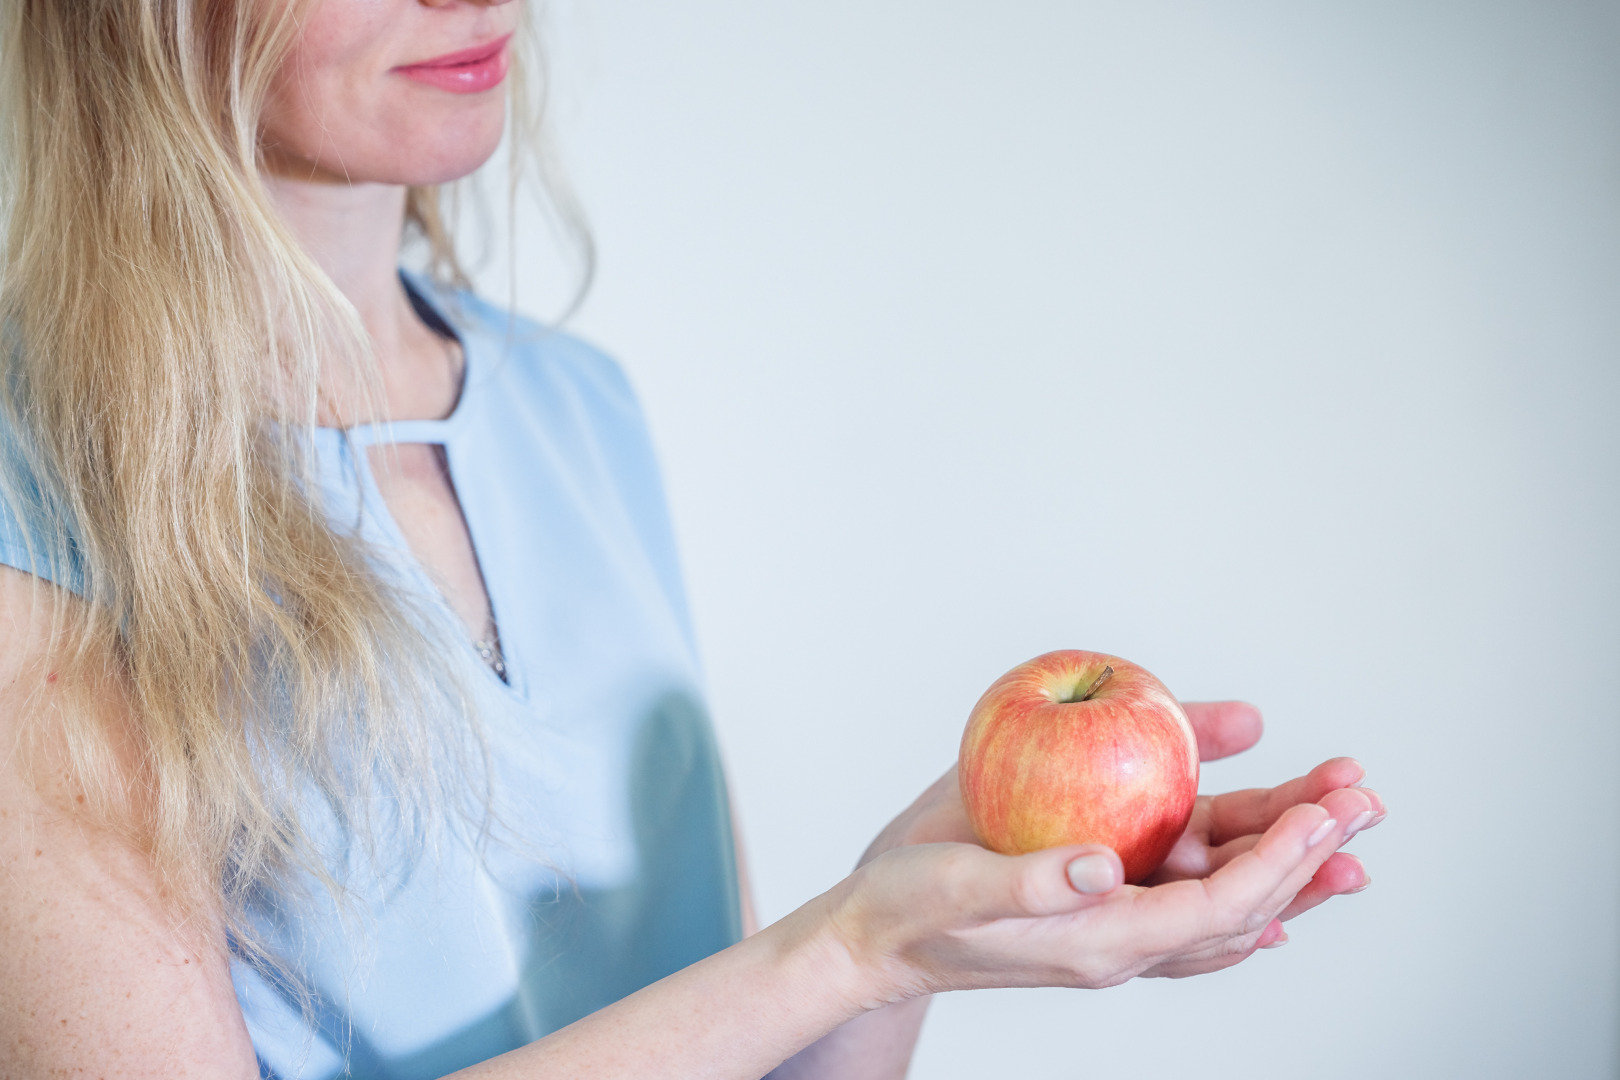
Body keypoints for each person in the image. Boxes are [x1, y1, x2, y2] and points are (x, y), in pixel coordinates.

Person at [0, 2, 1385, 1078]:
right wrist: (847, 947)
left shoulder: (577, 408)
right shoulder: (34, 484)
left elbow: (756, 1034)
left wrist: (916, 919)